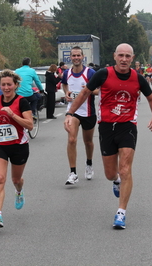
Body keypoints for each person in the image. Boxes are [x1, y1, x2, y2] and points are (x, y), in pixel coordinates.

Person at [64, 43, 152, 229]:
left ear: (132, 58)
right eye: (121, 55)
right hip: (107, 127)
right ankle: (115, 181)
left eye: (128, 56)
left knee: (125, 169)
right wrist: (69, 114)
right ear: (115, 56)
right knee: (111, 174)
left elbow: (151, 97)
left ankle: (121, 212)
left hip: (128, 127)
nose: (124, 59)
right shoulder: (103, 74)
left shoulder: (137, 78)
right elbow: (84, 93)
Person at [0, 69, 33, 228]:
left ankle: (19, 191)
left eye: (9, 84)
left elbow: (30, 125)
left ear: (15, 85)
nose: (6, 88)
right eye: (3, 85)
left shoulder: (22, 102)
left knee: (16, 180)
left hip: (19, 146)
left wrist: (13, 115)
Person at [62, 46, 97, 184]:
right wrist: (66, 93)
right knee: (71, 140)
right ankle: (73, 173)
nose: (76, 58)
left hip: (88, 112)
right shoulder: (66, 73)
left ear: (83, 57)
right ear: (70, 57)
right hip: (73, 112)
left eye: (78, 55)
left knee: (88, 142)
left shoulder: (90, 73)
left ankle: (89, 164)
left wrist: (88, 91)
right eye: (73, 56)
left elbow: (100, 90)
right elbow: (65, 85)